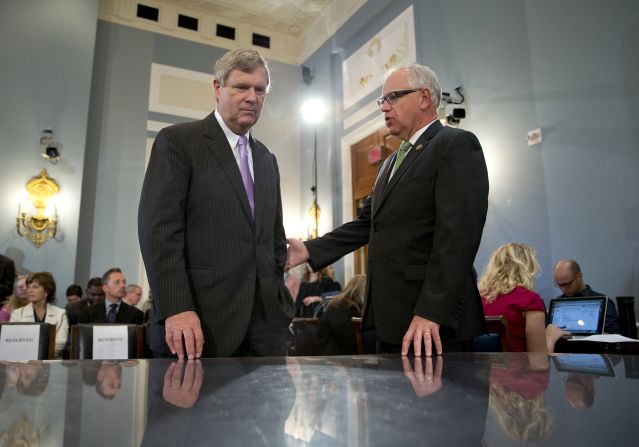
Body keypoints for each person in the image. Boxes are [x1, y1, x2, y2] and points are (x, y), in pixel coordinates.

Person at [287, 63, 489, 356]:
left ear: (423, 97)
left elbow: (457, 238)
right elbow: (366, 223)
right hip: (392, 318)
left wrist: (432, 311)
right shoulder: (388, 165)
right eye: (383, 100)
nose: (384, 107)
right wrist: (309, 249)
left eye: (393, 97)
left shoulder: (454, 144)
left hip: (435, 322)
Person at [138, 48, 294, 359]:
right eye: (241, 87)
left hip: (264, 331)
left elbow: (273, 237)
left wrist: (278, 295)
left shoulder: (267, 159)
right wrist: (177, 307)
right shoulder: (179, 141)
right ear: (217, 89)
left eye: (259, 89)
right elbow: (159, 230)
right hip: (198, 326)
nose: (252, 97)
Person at [478, 243, 547, 352]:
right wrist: (551, 336)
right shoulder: (530, 300)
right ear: (527, 268)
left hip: (480, 368)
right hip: (518, 368)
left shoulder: (477, 300)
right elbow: (538, 363)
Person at [10, 272, 69, 359]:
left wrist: (40, 359)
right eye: (29, 287)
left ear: (46, 291)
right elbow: (14, 343)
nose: (29, 290)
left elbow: (60, 343)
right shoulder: (17, 314)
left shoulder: (61, 314)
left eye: (35, 287)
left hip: (50, 364)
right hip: (24, 364)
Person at [553, 259, 620, 333]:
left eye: (567, 284)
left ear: (579, 276)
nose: (563, 289)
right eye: (559, 285)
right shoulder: (557, 303)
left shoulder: (603, 302)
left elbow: (614, 336)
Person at [315, 274, 366, 355]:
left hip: (325, 352)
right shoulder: (347, 309)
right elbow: (348, 340)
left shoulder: (337, 304)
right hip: (335, 358)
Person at [79, 268, 144, 324]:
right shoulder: (87, 313)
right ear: (105, 288)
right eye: (117, 282)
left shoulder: (136, 314)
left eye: (124, 282)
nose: (123, 286)